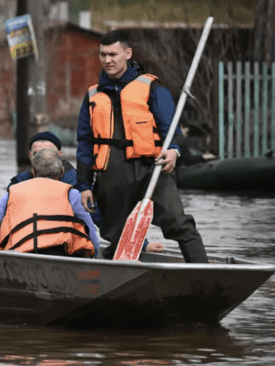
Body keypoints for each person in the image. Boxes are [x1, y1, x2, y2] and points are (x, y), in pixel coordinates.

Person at [76, 30, 208, 263]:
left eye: (113, 54)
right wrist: (85, 184)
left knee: (178, 223)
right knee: (117, 236)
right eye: (103, 54)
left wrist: (173, 151)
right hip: (111, 175)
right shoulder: (92, 95)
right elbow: (85, 143)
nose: (107, 60)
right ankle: (120, 275)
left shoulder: (153, 89)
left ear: (128, 53)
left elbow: (173, 131)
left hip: (152, 170)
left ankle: (204, 271)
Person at [0, 130, 164, 253]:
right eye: (37, 153)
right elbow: (3, 221)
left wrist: (142, 243)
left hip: (65, 248)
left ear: (60, 155)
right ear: (30, 156)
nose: (43, 158)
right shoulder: (18, 183)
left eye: (49, 153)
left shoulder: (76, 184)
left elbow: (101, 220)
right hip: (25, 247)